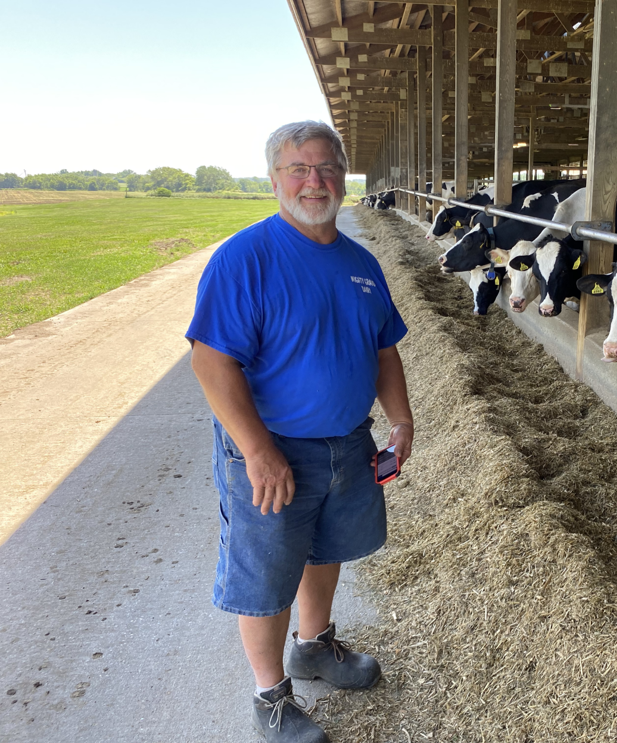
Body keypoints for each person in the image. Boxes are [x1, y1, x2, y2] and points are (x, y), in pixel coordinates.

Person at [186, 121, 413, 743]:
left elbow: (384, 350)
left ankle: (313, 646)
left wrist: (400, 418)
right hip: (272, 449)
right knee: (266, 573)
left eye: (327, 168)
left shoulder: (361, 263)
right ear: (275, 180)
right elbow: (211, 362)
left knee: (326, 548)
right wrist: (258, 451)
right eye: (299, 169)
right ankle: (270, 697)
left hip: (347, 442)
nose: (315, 182)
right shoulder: (246, 258)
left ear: (343, 177)